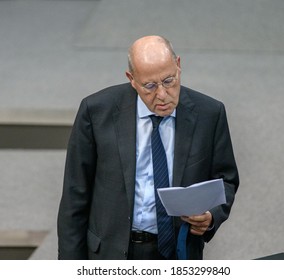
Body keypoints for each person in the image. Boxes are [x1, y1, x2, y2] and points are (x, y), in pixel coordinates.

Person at [57, 35, 239, 260]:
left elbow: (226, 179)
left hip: (177, 252)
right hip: (111, 253)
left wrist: (212, 216)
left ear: (179, 65)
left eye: (169, 81)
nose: (162, 95)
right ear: (131, 79)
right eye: (150, 86)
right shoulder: (96, 112)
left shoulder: (209, 114)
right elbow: (75, 196)